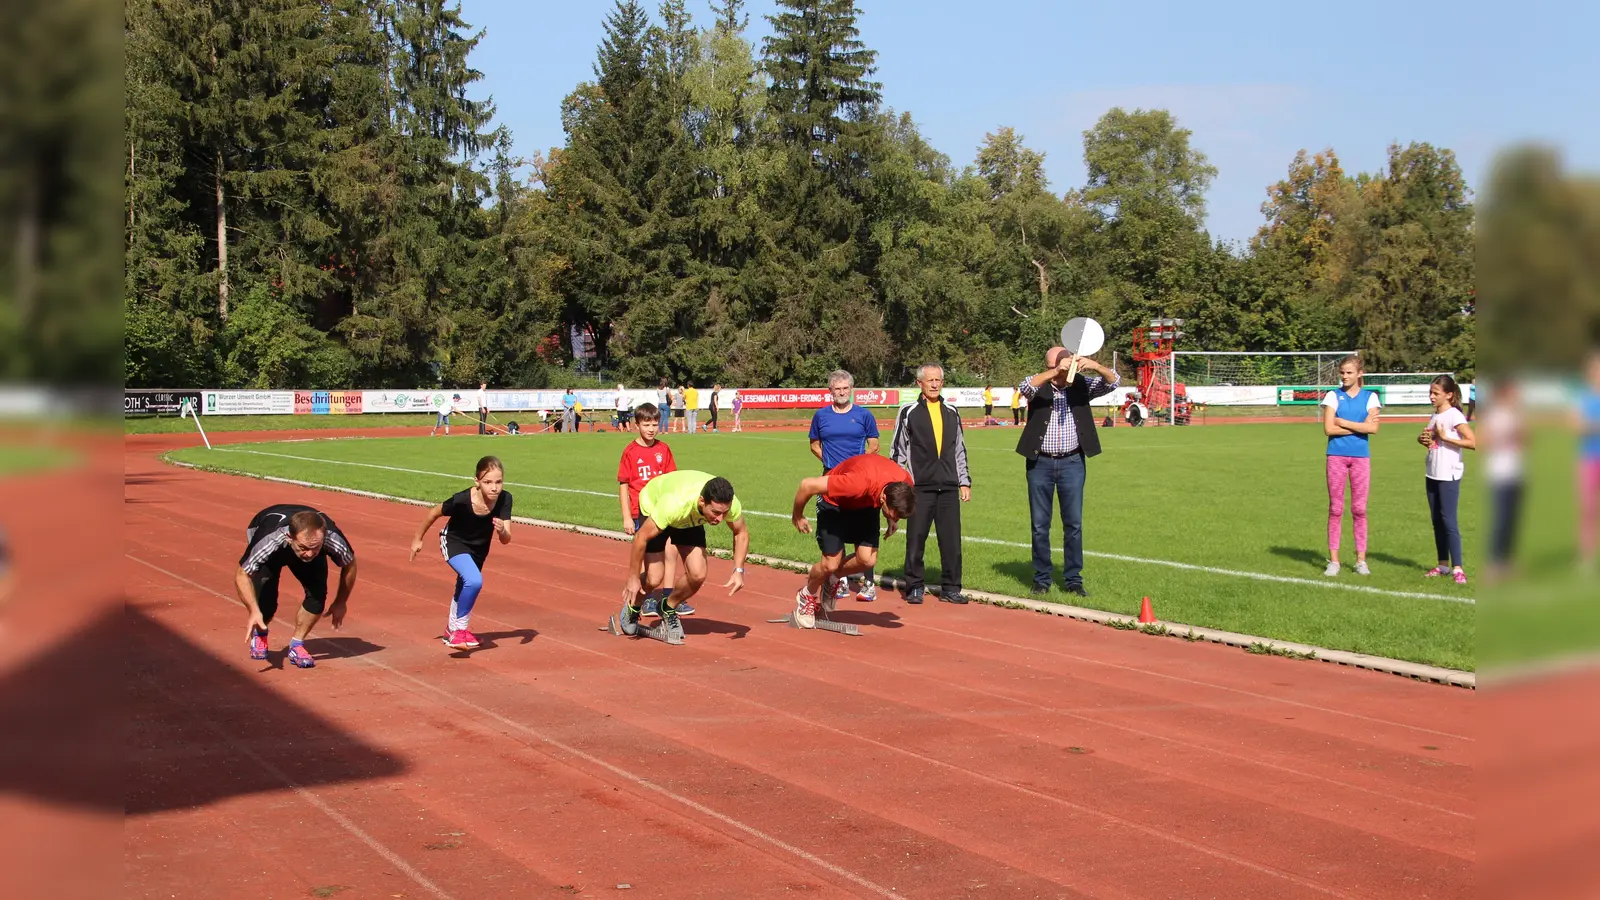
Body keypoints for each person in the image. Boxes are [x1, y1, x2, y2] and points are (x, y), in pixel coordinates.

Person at [1015, 346, 1121, 597]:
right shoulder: (1040, 384)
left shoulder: (1081, 385)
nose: (1062, 371)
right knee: (1040, 525)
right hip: (1039, 463)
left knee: (1073, 524)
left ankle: (1073, 579)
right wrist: (1052, 373)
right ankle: (1042, 579)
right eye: (1056, 365)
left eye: (1064, 365)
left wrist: (1094, 365)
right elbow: (1025, 386)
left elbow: (1114, 382)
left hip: (1072, 462)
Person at [617, 471, 751, 643]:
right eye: (716, 512)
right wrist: (633, 577)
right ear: (702, 501)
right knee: (654, 577)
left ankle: (668, 607)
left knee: (698, 574)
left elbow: (741, 533)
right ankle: (633, 606)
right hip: (656, 504)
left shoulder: (728, 505)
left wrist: (738, 569)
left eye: (724, 513)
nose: (720, 519)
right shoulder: (674, 504)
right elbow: (640, 538)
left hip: (689, 518)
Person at [789, 454, 915, 628]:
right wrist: (798, 515)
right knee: (830, 564)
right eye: (895, 514)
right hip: (834, 504)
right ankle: (806, 594)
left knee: (867, 559)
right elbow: (807, 485)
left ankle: (832, 579)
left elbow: (898, 503)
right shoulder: (858, 483)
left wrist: (892, 518)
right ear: (884, 498)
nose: (897, 517)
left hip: (865, 505)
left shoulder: (904, 483)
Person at [409, 456, 513, 650]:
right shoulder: (462, 500)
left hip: (479, 548)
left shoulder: (505, 499)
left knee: (464, 585)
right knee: (474, 580)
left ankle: (452, 630)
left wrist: (501, 530)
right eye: (488, 482)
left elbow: (506, 539)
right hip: (454, 542)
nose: (494, 488)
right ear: (477, 481)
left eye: (498, 482)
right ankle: (459, 630)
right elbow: (434, 513)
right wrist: (417, 539)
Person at [235, 504, 358, 668]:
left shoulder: (330, 538)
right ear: (289, 537)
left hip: (304, 541)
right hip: (272, 546)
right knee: (266, 600)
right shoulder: (269, 539)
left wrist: (341, 601)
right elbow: (242, 574)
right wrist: (253, 610)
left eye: (315, 548)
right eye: (303, 548)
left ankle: (297, 645)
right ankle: (261, 633)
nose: (308, 553)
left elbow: (350, 564)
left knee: (317, 595)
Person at [889, 363, 971, 605]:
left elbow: (960, 450)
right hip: (919, 488)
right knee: (916, 538)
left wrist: (964, 481)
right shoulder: (908, 412)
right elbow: (897, 452)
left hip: (948, 486)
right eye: (930, 380)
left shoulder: (952, 412)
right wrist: (897, 487)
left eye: (938, 380)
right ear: (919, 384)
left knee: (951, 540)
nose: (935, 384)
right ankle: (914, 586)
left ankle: (951, 587)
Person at [809, 370, 883, 603]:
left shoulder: (864, 415)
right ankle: (838, 580)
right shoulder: (821, 416)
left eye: (845, 388)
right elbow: (814, 445)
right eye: (837, 389)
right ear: (830, 391)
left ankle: (868, 582)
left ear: (851, 390)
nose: (841, 392)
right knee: (835, 527)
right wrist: (831, 464)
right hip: (831, 480)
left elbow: (874, 444)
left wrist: (857, 464)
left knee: (864, 528)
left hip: (860, 480)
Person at [616, 403, 686, 615]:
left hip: (664, 510)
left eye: (655, 424)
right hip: (642, 510)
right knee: (647, 553)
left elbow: (671, 480)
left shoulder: (663, 449)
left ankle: (668, 595)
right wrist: (627, 517)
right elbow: (623, 484)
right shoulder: (630, 451)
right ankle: (645, 597)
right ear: (637, 424)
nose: (651, 429)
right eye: (646, 424)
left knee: (670, 550)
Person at [1321, 356, 1381, 576]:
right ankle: (1334, 561)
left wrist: (1344, 422)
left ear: (1360, 373)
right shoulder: (1333, 396)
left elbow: (1374, 429)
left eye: (1349, 372)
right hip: (1336, 456)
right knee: (1336, 508)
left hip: (1360, 458)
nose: (1345, 377)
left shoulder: (1370, 397)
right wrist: (1361, 426)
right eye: (1342, 373)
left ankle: (1360, 560)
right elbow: (1328, 429)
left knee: (1359, 509)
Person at [1419, 375, 1475, 584]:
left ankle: (1458, 568)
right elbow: (1433, 442)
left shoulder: (1454, 416)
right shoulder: (1435, 416)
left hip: (1448, 474)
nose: (1431, 396)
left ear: (1449, 395)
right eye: (1430, 392)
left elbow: (1472, 441)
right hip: (1432, 472)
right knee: (1437, 521)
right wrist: (1424, 439)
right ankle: (1443, 565)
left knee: (1448, 520)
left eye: (1436, 393)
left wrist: (1446, 438)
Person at [1483, 379, 1524, 581]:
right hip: (1499, 473)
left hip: (1517, 472)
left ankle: (1507, 562)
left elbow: (1526, 441)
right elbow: (1486, 440)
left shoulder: (1516, 416)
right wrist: (1506, 437)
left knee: (1513, 521)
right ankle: (1493, 563)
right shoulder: (1496, 415)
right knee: (1501, 520)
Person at [1578, 352, 1600, 571]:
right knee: (1589, 509)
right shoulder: (1584, 398)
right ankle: (1587, 557)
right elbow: (1577, 426)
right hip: (1589, 458)